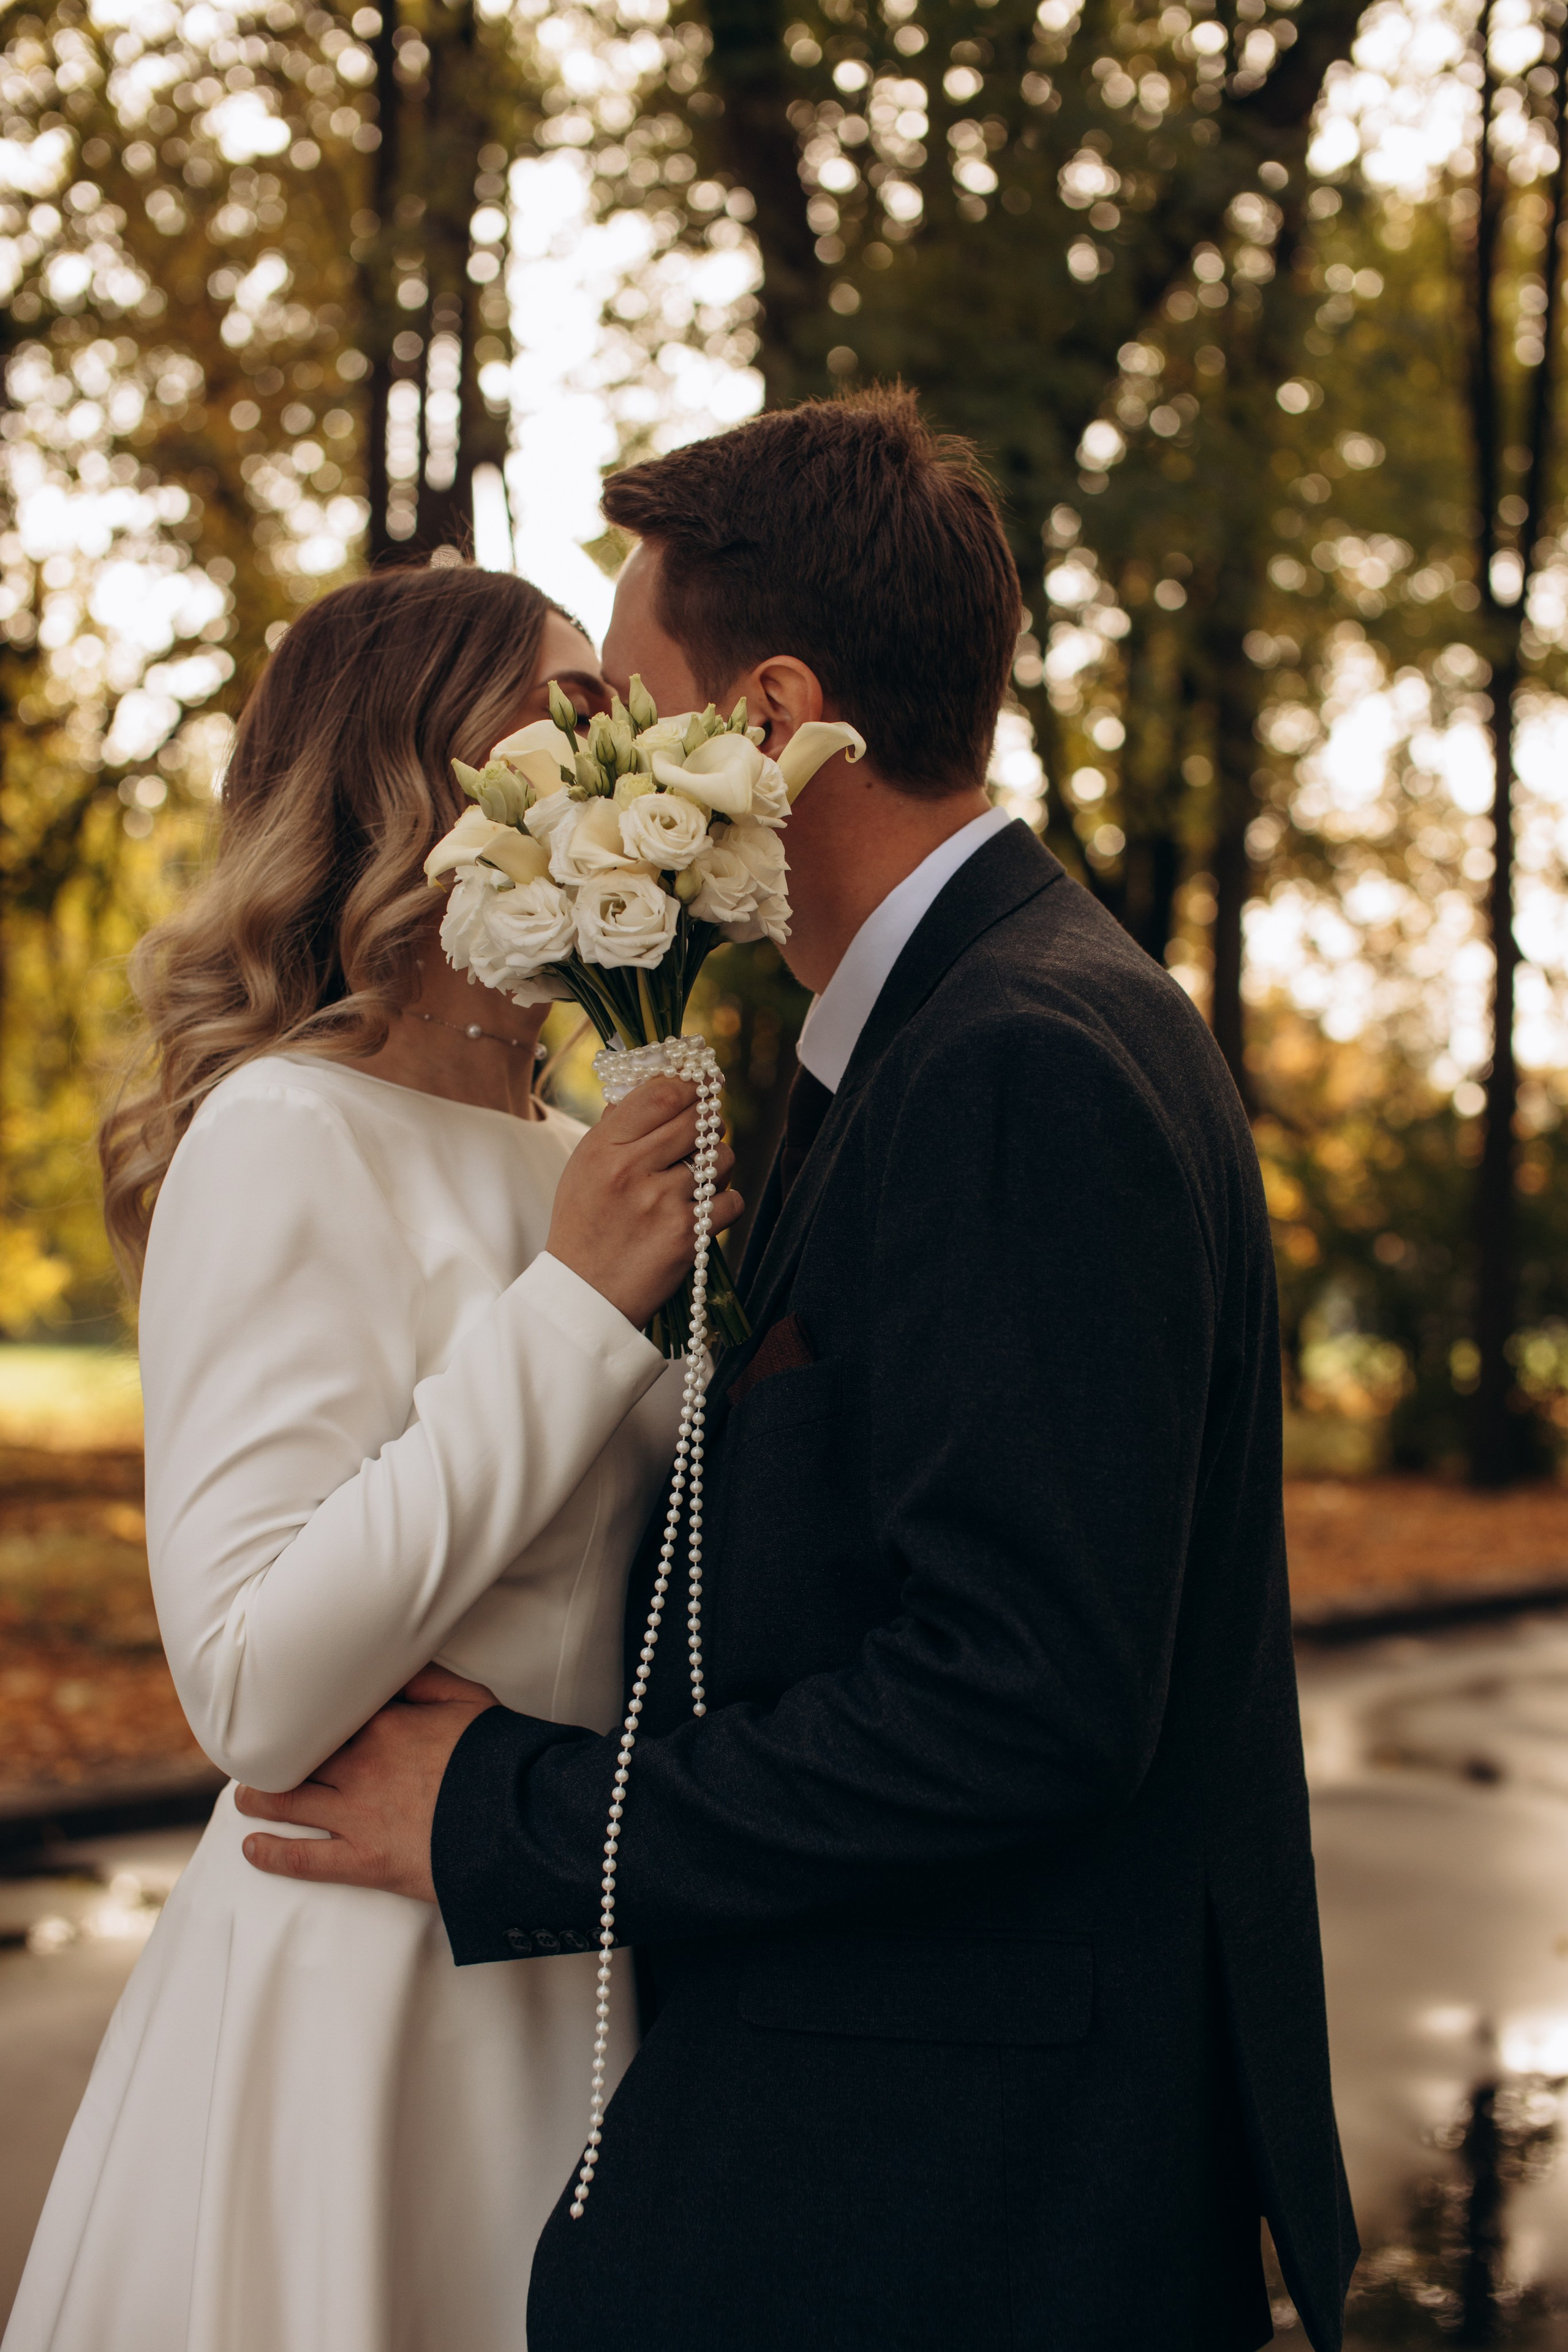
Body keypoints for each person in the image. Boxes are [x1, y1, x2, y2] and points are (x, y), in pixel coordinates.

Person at [239, 391, 1359, 2351]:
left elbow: (1020, 1694)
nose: (588, 770)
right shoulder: (956, 1023)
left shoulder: (1021, 1059)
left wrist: (515, 1817)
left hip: (965, 2180)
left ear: (763, 719)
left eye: (628, 711)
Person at [2, 564, 742, 2352]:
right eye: (558, 717)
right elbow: (250, 1685)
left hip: (583, 1947)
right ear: (416, 786)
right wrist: (575, 1306)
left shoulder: (594, 1144)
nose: (609, 752)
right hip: (369, 2006)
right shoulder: (284, 1131)